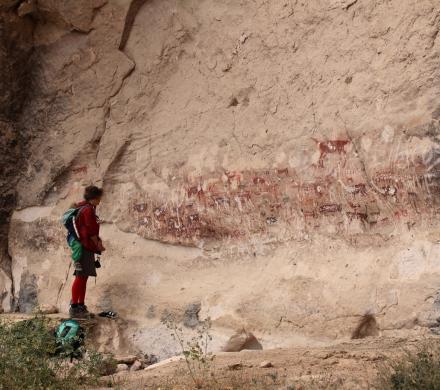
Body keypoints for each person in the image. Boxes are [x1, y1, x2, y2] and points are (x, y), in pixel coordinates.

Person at [69, 186, 105, 318]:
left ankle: (80, 305)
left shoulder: (82, 207)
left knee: (83, 277)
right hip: (84, 246)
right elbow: (91, 231)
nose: (100, 201)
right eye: (99, 198)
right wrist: (98, 245)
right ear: (94, 198)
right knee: (80, 276)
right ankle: (74, 307)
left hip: (84, 246)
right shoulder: (88, 210)